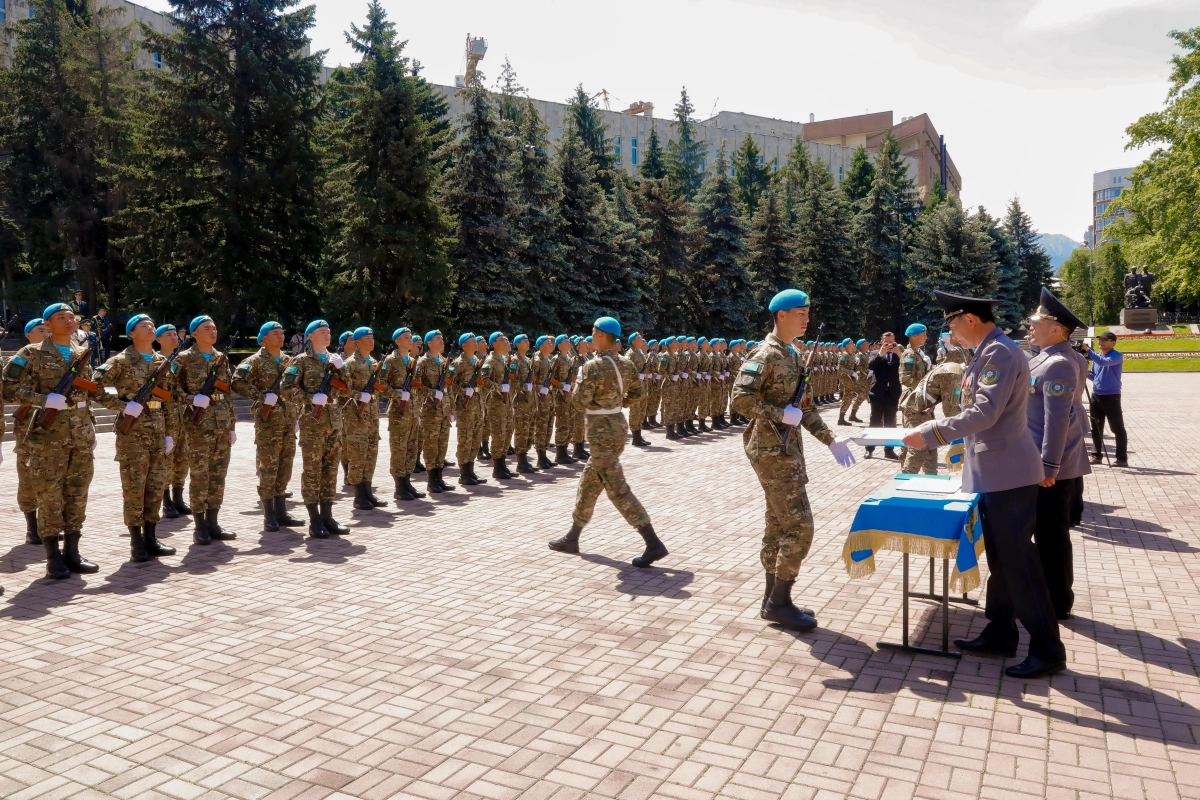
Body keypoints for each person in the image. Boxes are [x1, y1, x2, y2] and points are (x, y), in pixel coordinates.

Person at [901, 290, 1066, 678]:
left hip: (1008, 474)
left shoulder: (999, 353)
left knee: (1019, 564)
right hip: (997, 471)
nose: (952, 332)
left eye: (953, 323)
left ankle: (1047, 647)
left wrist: (932, 432)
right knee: (1003, 559)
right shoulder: (990, 351)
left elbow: (984, 413)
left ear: (970, 320)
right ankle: (1000, 631)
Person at [731, 290, 856, 633]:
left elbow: (805, 408)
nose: (806, 317)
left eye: (808, 312)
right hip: (771, 451)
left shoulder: (793, 353)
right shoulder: (765, 353)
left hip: (787, 450)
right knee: (800, 527)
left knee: (778, 525)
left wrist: (831, 440)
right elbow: (739, 399)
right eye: (800, 312)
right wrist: (777, 413)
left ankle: (774, 599)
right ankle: (780, 603)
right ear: (781, 315)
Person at [549, 316, 667, 567]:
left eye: (593, 334)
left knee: (617, 489)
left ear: (601, 335)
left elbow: (579, 401)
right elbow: (637, 392)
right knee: (590, 483)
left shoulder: (593, 366)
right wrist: (617, 402)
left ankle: (652, 542)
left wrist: (582, 390)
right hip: (616, 424)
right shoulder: (626, 363)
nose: (591, 338)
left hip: (601, 431)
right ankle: (573, 536)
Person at [7, 302, 102, 578]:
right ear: (47, 324)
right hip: (48, 438)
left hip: (80, 435)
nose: (69, 321)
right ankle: (52, 557)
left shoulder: (80, 353)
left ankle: (72, 552)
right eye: (61, 317)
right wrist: (42, 400)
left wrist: (93, 426)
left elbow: (88, 394)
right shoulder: (31, 353)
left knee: (77, 494)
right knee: (50, 496)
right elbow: (8, 388)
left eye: (72, 317)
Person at [1025, 288, 1091, 620]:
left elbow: (1057, 420)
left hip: (1050, 468)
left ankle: (1057, 602)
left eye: (1035, 323)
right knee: (1050, 534)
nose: (1029, 328)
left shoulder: (1060, 363)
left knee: (1051, 536)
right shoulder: (1054, 357)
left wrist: (1049, 466)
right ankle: (1052, 596)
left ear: (1055, 328)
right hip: (1044, 462)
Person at [94, 314, 179, 562]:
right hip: (133, 431)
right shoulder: (119, 360)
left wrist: (170, 434)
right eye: (144, 326)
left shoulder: (162, 361)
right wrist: (121, 405)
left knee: (155, 486)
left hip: (158, 427)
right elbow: (92, 387)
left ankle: (152, 537)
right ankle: (136, 541)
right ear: (131, 333)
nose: (150, 328)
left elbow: (169, 400)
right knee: (134, 487)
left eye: (152, 325)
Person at [231, 321, 304, 532]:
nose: (280, 336)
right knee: (268, 467)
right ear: (263, 338)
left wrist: (297, 413)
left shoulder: (290, 361)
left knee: (285, 465)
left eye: (282, 333)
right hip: (268, 422)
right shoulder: (253, 361)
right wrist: (260, 397)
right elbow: (237, 382)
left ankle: (282, 511)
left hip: (289, 419)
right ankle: (269, 514)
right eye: (275, 333)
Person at [285, 320, 351, 537]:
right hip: (313, 423)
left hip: (334, 421)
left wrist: (342, 370)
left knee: (330, 470)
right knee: (313, 471)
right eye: (322, 332)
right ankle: (314, 520)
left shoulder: (335, 360)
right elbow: (286, 390)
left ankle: (327, 516)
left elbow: (348, 389)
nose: (327, 335)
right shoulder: (301, 360)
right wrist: (311, 397)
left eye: (329, 331)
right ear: (310, 337)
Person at [175, 316, 238, 544]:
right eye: (206, 328)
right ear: (195, 333)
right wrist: (191, 398)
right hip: (198, 425)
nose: (212, 331)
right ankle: (200, 526)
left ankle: (214, 523)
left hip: (221, 424)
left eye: (214, 327)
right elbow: (171, 390)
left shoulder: (221, 358)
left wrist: (231, 425)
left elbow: (227, 394)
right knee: (200, 476)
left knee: (219, 475)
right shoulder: (183, 359)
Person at [7, 317, 48, 545]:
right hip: (28, 424)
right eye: (40, 330)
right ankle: (32, 527)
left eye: (48, 330)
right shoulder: (24, 356)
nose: (46, 334)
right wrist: (38, 400)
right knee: (28, 475)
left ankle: (47, 524)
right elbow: (9, 389)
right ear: (28, 335)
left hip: (56, 426)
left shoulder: (59, 356)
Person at [342, 327, 387, 509]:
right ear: (357, 342)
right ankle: (359, 496)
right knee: (357, 455)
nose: (371, 341)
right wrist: (358, 395)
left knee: (370, 454)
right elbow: (340, 389)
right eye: (367, 338)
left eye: (372, 337)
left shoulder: (374, 362)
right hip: (355, 417)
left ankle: (368, 493)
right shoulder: (351, 363)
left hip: (372, 415)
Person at [382, 328, 425, 500]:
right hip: (398, 412)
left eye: (411, 337)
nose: (410, 340)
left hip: (413, 410)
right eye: (406, 338)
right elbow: (380, 385)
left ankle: (407, 483)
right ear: (397, 341)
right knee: (399, 449)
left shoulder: (413, 361)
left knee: (411, 448)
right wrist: (398, 394)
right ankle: (399, 487)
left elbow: (418, 384)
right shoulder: (391, 361)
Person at [156, 324, 192, 520]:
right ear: (158, 339)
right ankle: (166, 501)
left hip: (183, 415)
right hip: (164, 417)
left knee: (182, 459)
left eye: (174, 334)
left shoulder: (183, 360)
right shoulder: (155, 361)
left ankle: (179, 498)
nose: (173, 338)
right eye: (167, 335)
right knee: (166, 461)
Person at [415, 330, 454, 492]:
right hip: (430, 410)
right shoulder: (422, 362)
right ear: (429, 343)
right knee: (431, 445)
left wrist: (451, 409)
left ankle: (440, 478)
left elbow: (449, 387)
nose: (441, 341)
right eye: (438, 339)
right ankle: (432, 481)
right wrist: (432, 393)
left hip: (444, 410)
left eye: (442, 338)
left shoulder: (444, 361)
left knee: (442, 444)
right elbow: (415, 386)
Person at [1081, 331, 1127, 467]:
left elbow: (1103, 363)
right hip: (1097, 395)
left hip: (1111, 396)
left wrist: (1087, 350)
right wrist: (1085, 373)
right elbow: (1096, 376)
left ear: (1113, 342)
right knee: (1096, 426)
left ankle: (1121, 458)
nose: (1101, 342)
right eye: (1100, 340)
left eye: (1104, 340)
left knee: (1117, 428)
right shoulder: (1098, 357)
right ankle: (1096, 455)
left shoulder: (1116, 356)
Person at [898, 323, 936, 474]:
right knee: (916, 443)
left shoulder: (919, 353)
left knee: (930, 441)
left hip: (923, 403)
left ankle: (931, 477)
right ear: (914, 336)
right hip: (914, 404)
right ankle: (906, 477)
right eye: (923, 334)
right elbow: (905, 379)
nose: (926, 337)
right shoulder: (909, 355)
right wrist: (924, 388)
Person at [866, 332, 902, 459]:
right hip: (878, 392)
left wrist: (900, 355)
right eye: (886, 342)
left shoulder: (899, 354)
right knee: (874, 421)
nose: (889, 345)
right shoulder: (876, 353)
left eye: (891, 342)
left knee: (890, 422)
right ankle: (869, 449)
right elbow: (870, 366)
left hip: (892, 392)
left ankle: (889, 450)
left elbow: (906, 369)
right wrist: (881, 353)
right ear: (881, 342)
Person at [510, 333, 537, 473]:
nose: (528, 343)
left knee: (529, 431)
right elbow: (512, 381)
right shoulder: (514, 361)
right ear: (518, 344)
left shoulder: (527, 360)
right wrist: (525, 387)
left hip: (530, 402)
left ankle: (525, 458)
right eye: (524, 341)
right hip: (520, 401)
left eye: (528, 341)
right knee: (521, 431)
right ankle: (521, 462)